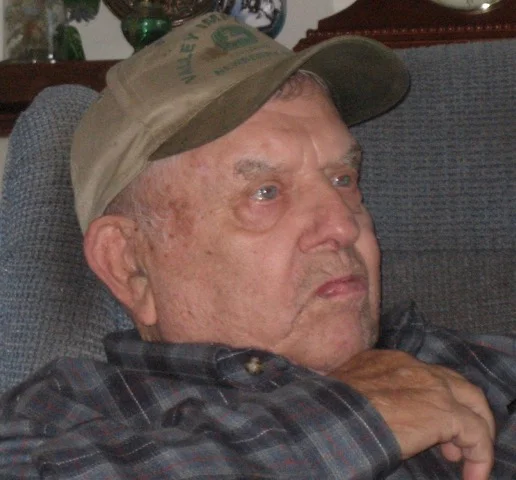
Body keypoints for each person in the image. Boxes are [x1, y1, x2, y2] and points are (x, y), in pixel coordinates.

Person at [0, 12, 514, 479]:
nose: (342, 226)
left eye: (342, 180)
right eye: (265, 192)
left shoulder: (470, 366)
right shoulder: (59, 418)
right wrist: (358, 414)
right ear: (129, 264)